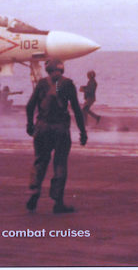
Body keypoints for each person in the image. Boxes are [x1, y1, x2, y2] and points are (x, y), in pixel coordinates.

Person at [25, 59, 88, 213]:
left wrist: (30, 125)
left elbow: (30, 106)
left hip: (42, 128)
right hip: (60, 130)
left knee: (40, 161)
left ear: (48, 70)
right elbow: (76, 110)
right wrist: (83, 131)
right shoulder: (67, 84)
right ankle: (57, 202)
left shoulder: (42, 83)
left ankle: (34, 192)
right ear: (61, 69)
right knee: (60, 163)